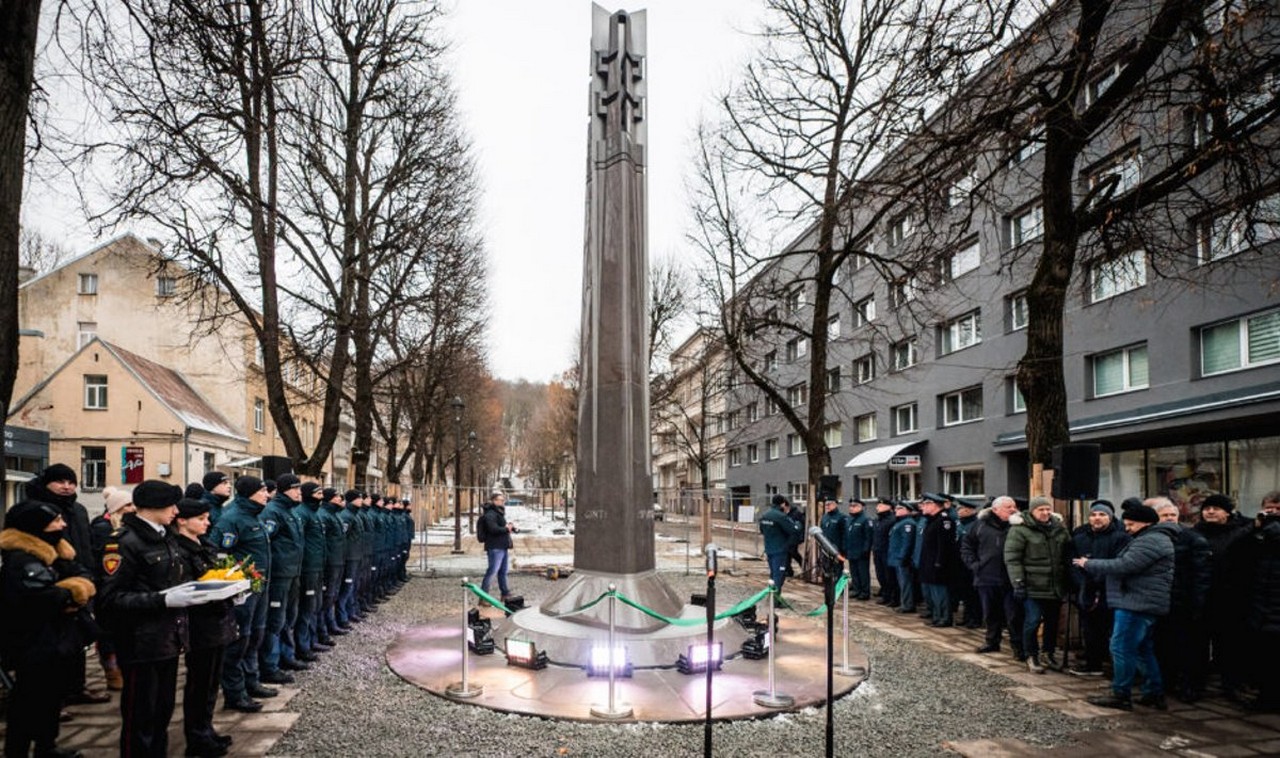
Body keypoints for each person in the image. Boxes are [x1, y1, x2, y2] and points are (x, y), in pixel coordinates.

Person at [97, 480, 211, 757]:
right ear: (152, 507)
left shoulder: (165, 536)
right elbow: (110, 599)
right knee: (140, 715)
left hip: (167, 639)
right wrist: (162, 600)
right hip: (140, 642)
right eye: (170, 505)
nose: (175, 510)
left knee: (162, 710)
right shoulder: (124, 542)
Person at [1, 500, 96, 758]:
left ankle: (47, 745)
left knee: (52, 697)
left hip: (58, 639)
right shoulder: (21, 558)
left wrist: (75, 588)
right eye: (55, 521)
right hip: (33, 642)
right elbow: (45, 597)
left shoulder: (56, 551)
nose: (62, 525)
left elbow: (84, 574)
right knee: (28, 701)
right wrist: (72, 593)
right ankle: (17, 750)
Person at [1075, 501, 1177, 710]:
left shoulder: (1151, 540)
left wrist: (1088, 563)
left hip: (1136, 603)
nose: (1127, 528)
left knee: (1121, 647)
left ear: (1145, 523)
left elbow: (1124, 565)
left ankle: (1121, 694)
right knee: (1141, 649)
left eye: (1131, 524)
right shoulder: (1150, 538)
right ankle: (1153, 692)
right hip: (1140, 602)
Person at [24, 463, 109, 706]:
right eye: (60, 482)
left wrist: (91, 574)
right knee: (54, 645)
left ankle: (76, 687)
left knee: (79, 640)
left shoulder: (79, 510)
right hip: (54, 583)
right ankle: (53, 698)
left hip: (83, 579)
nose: (66, 486)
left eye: (71, 482)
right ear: (47, 483)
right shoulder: (37, 510)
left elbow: (86, 544)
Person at [172, 498, 238, 757]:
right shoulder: (179, 548)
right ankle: (196, 737)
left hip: (217, 619)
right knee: (199, 682)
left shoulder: (204, 544)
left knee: (211, 680)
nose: (207, 523)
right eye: (201, 519)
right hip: (199, 623)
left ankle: (206, 728)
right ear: (182, 521)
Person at [208, 476, 276, 711]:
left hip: (259, 586)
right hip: (243, 590)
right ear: (249, 493)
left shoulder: (253, 515)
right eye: (262, 491)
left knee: (254, 636)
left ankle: (251, 681)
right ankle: (235, 693)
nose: (267, 494)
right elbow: (217, 553)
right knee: (238, 641)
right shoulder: (232, 518)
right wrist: (238, 577)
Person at [1194, 492, 1252, 701]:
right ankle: (1196, 685)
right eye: (1207, 508)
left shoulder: (1241, 533)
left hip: (1230, 598)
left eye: (1216, 508)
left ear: (1228, 513)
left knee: (1229, 645)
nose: (1210, 512)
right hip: (1202, 596)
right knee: (1198, 644)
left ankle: (1231, 685)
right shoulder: (1196, 533)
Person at [1152, 498, 1211, 702]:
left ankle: (1190, 686)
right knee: (1165, 645)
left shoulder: (1192, 539)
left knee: (1188, 648)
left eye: (1172, 515)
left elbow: (1201, 575)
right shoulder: (1153, 538)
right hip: (1162, 601)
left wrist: (1197, 602)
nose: (1169, 519)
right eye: (1165, 516)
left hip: (1185, 602)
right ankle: (1168, 682)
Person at [1004, 496, 1070, 674]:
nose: (1045, 513)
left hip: (1055, 586)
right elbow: (1012, 558)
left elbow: (1067, 554)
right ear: (1032, 511)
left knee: (1052, 623)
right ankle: (1031, 655)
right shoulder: (1020, 530)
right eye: (1041, 509)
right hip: (1032, 586)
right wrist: (1017, 582)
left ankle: (1048, 653)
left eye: (1048, 509)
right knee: (1032, 622)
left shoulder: (1059, 529)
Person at [1228, 491, 1280, 711]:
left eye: (1278, 509)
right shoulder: (1258, 531)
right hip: (1260, 606)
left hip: (1274, 605)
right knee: (1264, 658)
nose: (1274, 513)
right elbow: (1233, 547)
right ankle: (1266, 698)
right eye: (1269, 509)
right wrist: (1255, 527)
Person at [1066, 500, 1130, 677]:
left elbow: (1119, 564)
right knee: (1090, 630)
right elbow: (1072, 564)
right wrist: (1083, 584)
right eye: (1093, 515)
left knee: (1113, 631)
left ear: (1110, 517)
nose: (1097, 518)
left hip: (1112, 591)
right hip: (1087, 591)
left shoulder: (1121, 538)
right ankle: (1093, 664)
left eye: (1102, 515)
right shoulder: (1079, 539)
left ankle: (1114, 666)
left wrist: (1100, 579)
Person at [961, 496, 1024, 659]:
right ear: (995, 510)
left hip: (1011, 579)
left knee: (1014, 615)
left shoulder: (1019, 525)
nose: (1013, 509)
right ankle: (991, 642)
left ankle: (1018, 647)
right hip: (986, 577)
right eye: (1008, 507)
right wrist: (975, 565)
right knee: (990, 613)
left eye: (1014, 506)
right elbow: (967, 545)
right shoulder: (980, 525)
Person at [259, 474, 306, 684]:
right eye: (295, 489)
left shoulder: (291, 511)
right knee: (276, 620)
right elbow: (266, 542)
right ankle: (270, 665)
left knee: (289, 616)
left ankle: (286, 656)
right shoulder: (273, 512)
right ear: (284, 490)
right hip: (279, 574)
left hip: (292, 572)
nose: (299, 493)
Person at [91, 487, 135, 692]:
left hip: (124, 587)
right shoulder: (103, 528)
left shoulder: (129, 527)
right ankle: (112, 672)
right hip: (106, 588)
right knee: (108, 633)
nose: (132, 508)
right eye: (127, 505)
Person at [294, 482, 328, 660]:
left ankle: (311, 640)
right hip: (308, 567)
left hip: (317, 565)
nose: (321, 496)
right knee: (306, 608)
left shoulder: (314, 513)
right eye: (317, 493)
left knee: (315, 605)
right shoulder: (302, 513)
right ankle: (302, 646)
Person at [917, 493, 961, 627]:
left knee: (940, 592)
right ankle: (937, 616)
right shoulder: (932, 520)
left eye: (926, 504)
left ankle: (945, 618)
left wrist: (939, 562)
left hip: (939, 564)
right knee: (933, 593)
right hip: (929, 562)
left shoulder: (944, 521)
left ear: (934, 505)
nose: (923, 507)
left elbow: (945, 545)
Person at [318, 488, 348, 639]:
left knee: (333, 595)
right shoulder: (324, 515)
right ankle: (324, 629)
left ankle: (330, 624)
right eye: (337, 496)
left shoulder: (334, 514)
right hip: (330, 562)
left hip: (338, 559)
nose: (340, 499)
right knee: (327, 596)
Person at [759, 494, 803, 598]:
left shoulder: (765, 515)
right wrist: (798, 524)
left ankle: (772, 596)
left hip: (769, 549)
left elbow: (762, 530)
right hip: (780, 550)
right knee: (779, 575)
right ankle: (775, 599)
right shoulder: (781, 516)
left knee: (773, 574)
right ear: (782, 503)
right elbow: (794, 529)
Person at [478, 492, 516, 603]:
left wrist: (510, 528)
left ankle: (505, 593)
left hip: (502, 546)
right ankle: (483, 597)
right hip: (495, 547)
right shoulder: (490, 514)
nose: (502, 502)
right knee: (492, 571)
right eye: (500, 500)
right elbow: (493, 529)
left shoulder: (498, 513)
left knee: (503, 571)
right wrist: (506, 529)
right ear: (494, 501)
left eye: (503, 500)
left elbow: (499, 526)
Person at [953, 498, 982, 628]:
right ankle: (966, 617)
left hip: (970, 564)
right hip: (959, 562)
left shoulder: (976, 524)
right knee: (964, 592)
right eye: (958, 508)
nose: (958, 511)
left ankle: (975, 619)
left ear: (970, 510)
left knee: (973, 594)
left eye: (962, 509)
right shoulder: (959, 523)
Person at [887, 501, 920, 614]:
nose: (896, 510)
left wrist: (903, 557)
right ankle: (905, 603)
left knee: (906, 583)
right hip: (897, 558)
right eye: (896, 508)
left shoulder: (908, 523)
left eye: (900, 508)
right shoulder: (900, 522)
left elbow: (907, 543)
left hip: (902, 559)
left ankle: (908, 605)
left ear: (908, 510)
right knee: (902, 583)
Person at [844, 499, 874, 600]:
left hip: (861, 551)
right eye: (851, 506)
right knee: (854, 572)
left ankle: (865, 592)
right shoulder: (849, 519)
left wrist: (866, 550)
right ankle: (857, 589)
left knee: (863, 573)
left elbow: (868, 537)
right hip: (851, 550)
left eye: (855, 506)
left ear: (861, 507)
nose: (852, 508)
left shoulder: (865, 520)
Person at [871, 498, 898, 606]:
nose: (878, 508)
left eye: (881, 506)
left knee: (890, 576)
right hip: (878, 551)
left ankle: (893, 598)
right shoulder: (878, 520)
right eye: (878, 505)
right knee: (880, 575)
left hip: (887, 551)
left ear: (889, 507)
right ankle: (885, 595)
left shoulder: (892, 520)